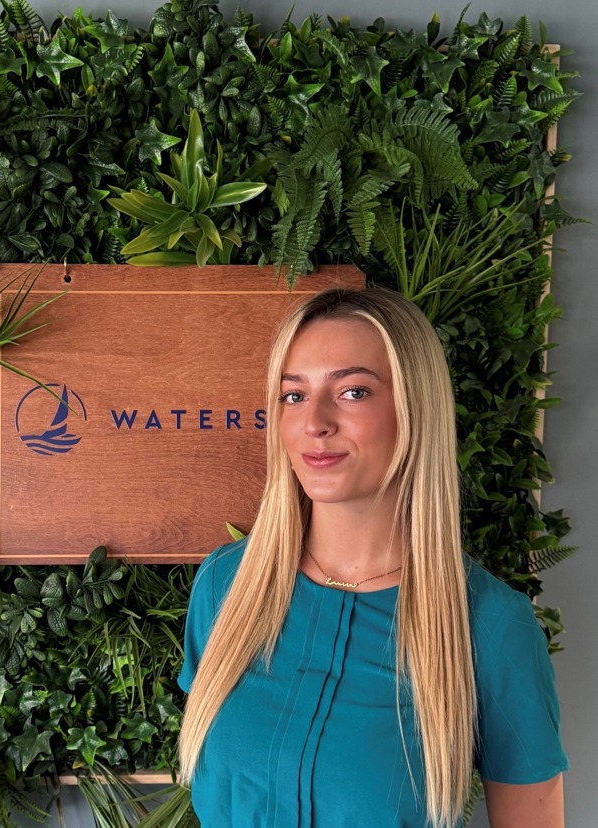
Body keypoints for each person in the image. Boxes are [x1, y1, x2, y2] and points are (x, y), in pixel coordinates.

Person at [177, 286, 568, 827]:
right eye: (293, 395)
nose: (314, 420)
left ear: (415, 409)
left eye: (353, 392)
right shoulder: (226, 585)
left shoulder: (490, 627)